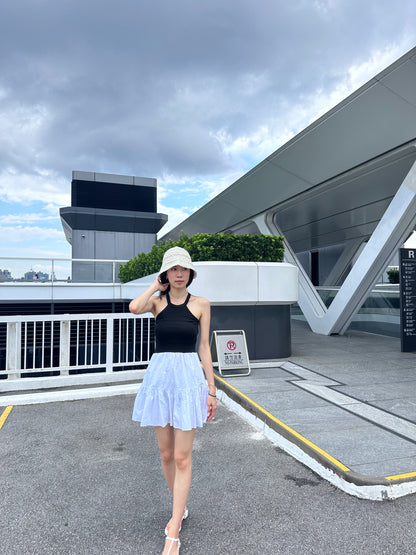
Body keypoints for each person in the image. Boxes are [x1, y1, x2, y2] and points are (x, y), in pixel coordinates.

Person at [130, 246, 217, 555]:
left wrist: (212, 390)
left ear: (190, 274)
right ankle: (181, 508)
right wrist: (155, 285)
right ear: (166, 273)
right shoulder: (157, 303)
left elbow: (204, 348)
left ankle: (174, 530)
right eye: (173, 269)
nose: (179, 273)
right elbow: (134, 308)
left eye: (184, 269)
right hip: (160, 380)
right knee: (166, 454)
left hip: (188, 380)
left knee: (182, 457)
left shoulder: (201, 304)